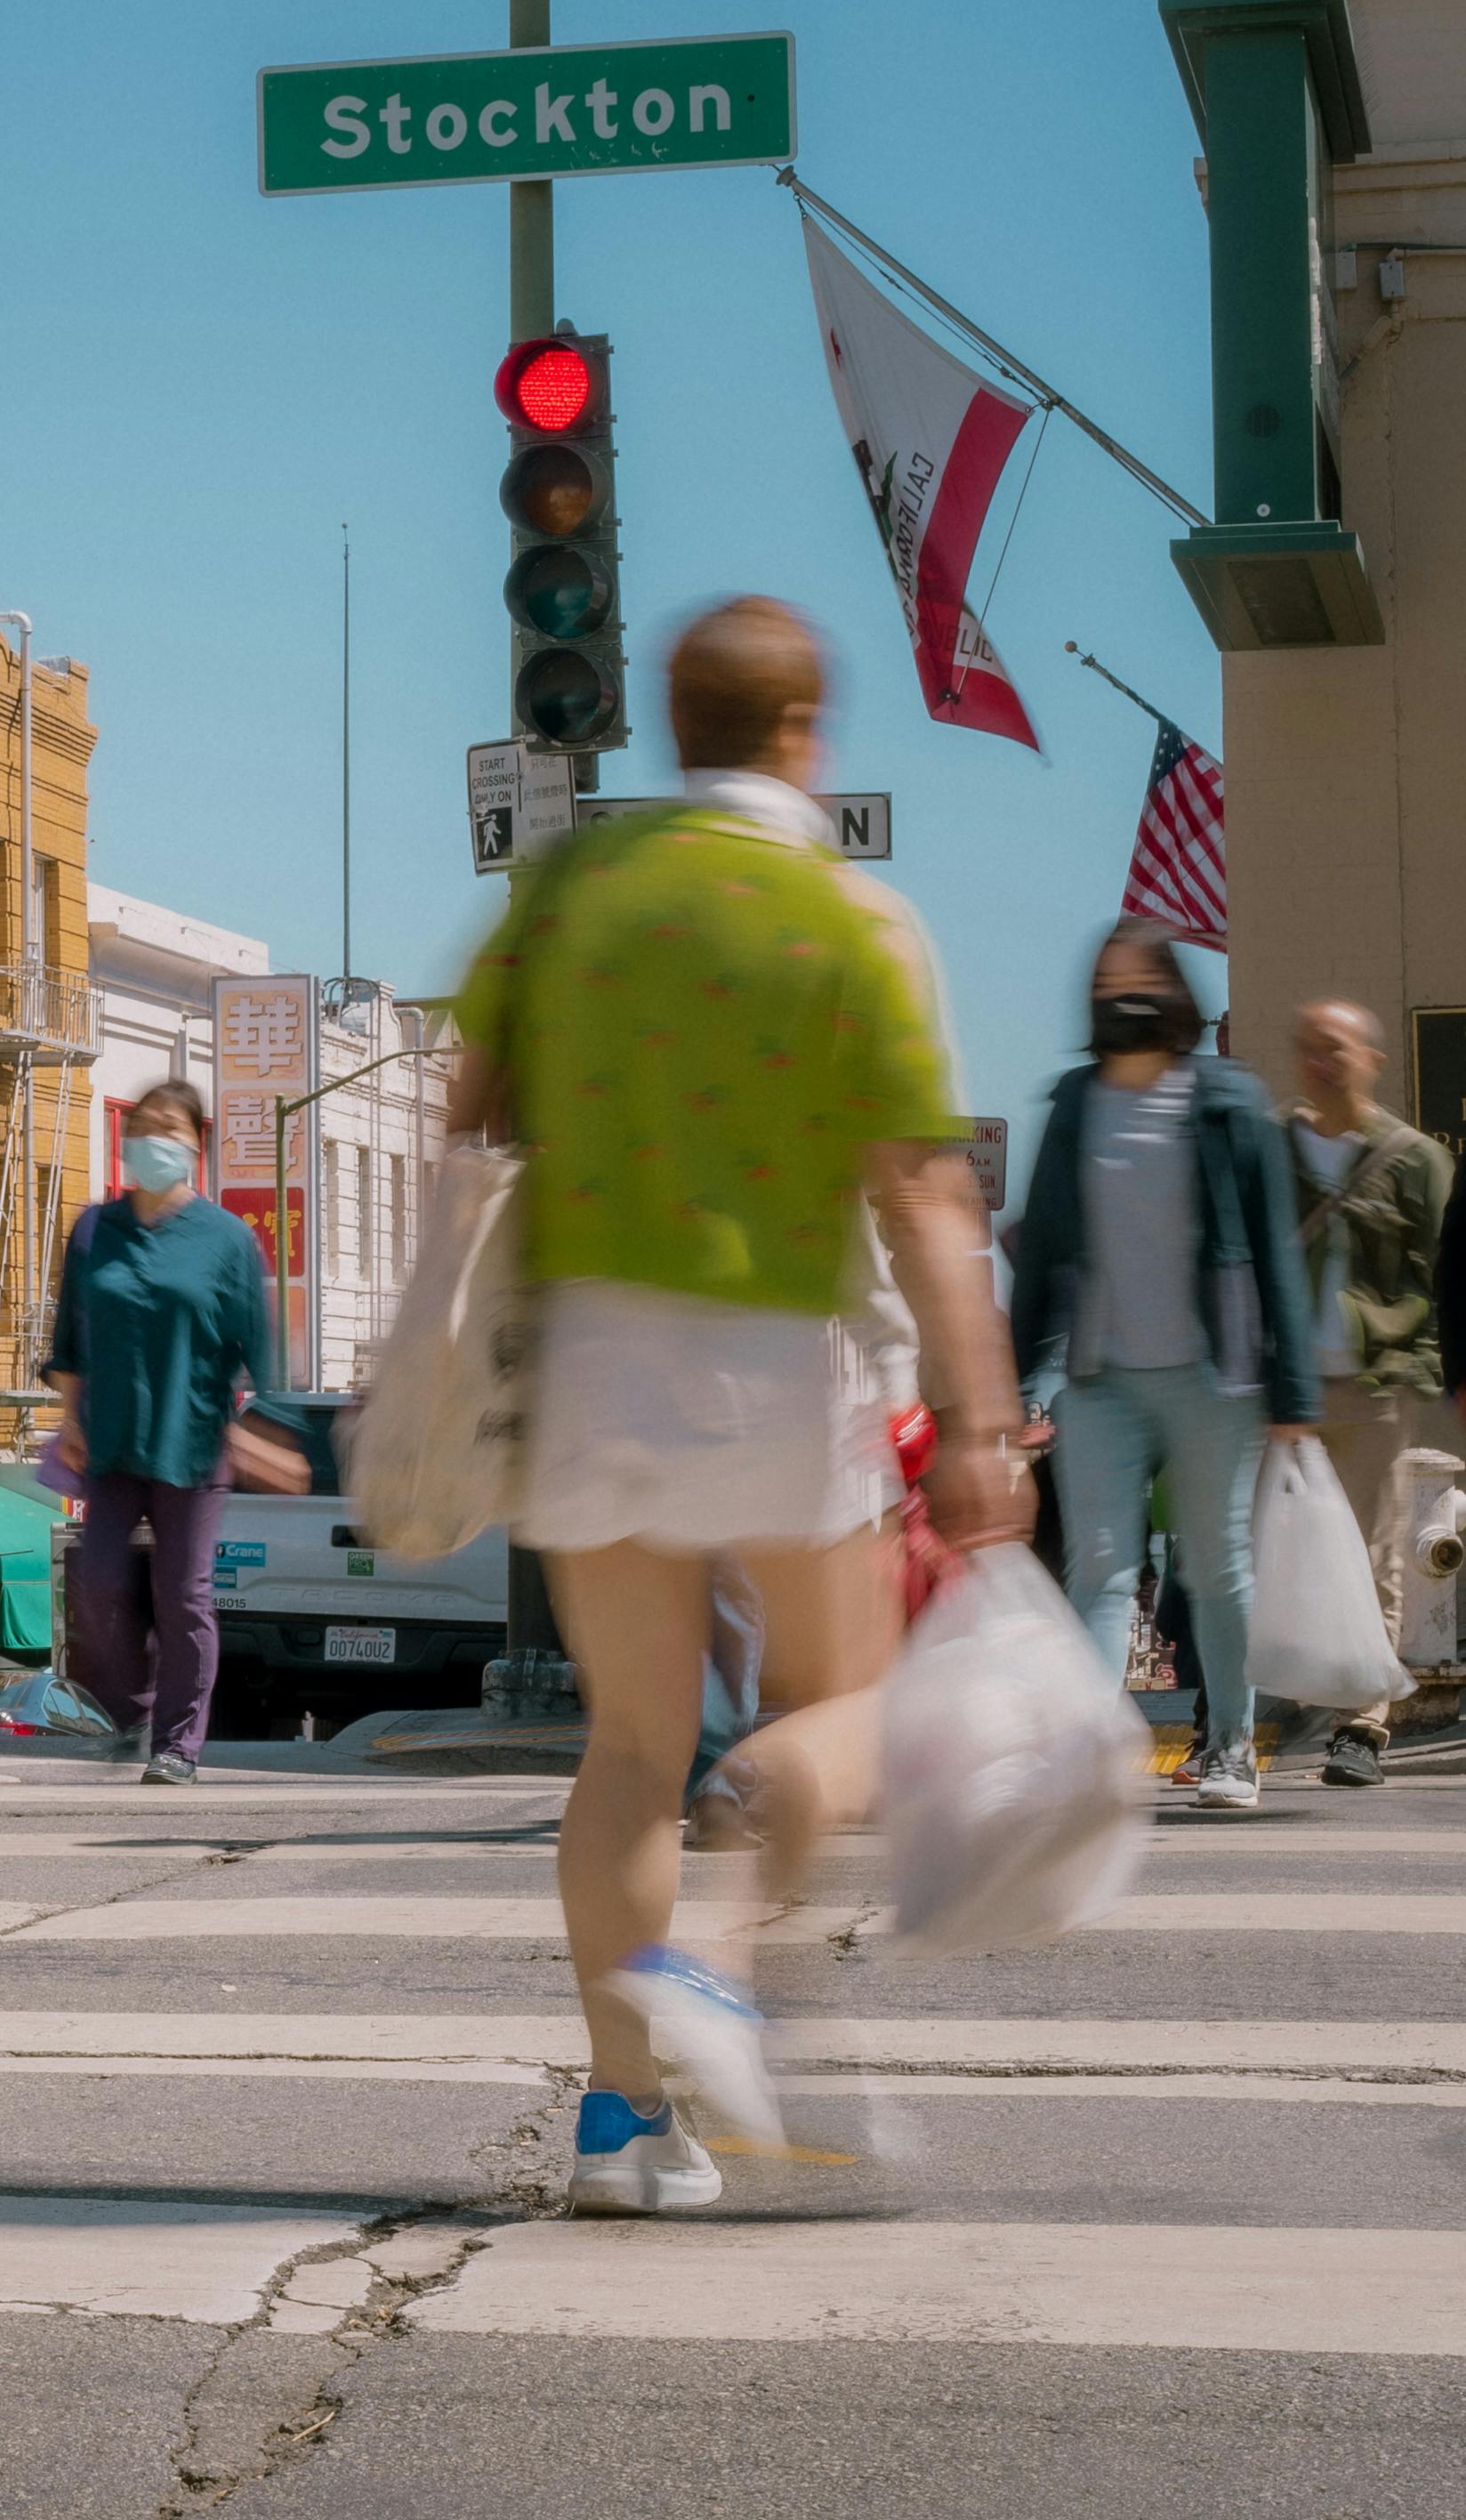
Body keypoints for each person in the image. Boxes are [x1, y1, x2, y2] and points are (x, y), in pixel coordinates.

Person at [450, 596, 1026, 2216]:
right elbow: (922, 1189)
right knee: (855, 1707)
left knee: (627, 1745)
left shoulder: (564, 891)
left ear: (673, 726)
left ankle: (624, 2128)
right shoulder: (850, 920)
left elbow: (468, 1109)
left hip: (586, 1357)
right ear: (804, 733)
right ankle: (713, 1953)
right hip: (779, 1360)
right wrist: (979, 1421)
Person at [1012, 920, 1321, 1811]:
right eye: (1107, 984)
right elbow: (1045, 1252)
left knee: (1214, 1567)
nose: (1123, 998)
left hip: (1211, 1375)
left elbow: (1272, 1248)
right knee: (1099, 1568)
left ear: (1176, 992)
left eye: (1139, 980)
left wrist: (1291, 1392)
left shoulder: (1229, 1100)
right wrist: (1027, 1384)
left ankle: (1229, 1745)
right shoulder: (1075, 1101)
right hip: (1100, 1379)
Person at [50, 1077, 272, 1785]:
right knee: (94, 1583)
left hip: (194, 1442)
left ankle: (178, 1744)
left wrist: (259, 1437)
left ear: (196, 1145)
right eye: (142, 1125)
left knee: (183, 1597)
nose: (152, 1138)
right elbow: (69, 1341)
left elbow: (261, 1355)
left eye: (170, 1128)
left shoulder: (228, 1239)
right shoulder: (93, 1230)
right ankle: (133, 1708)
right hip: (110, 1441)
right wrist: (68, 1418)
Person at [1286, 998, 1450, 1788]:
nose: (1322, 1061)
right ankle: (1264, 1703)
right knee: (1261, 1550)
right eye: (1309, 1048)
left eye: (1337, 1048)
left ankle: (1362, 1727)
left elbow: (1443, 1272)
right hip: (1281, 1389)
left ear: (1372, 1060)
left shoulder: (1413, 1159)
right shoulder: (1274, 1147)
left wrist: (1428, 1361)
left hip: (1372, 1385)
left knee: (1373, 1553)